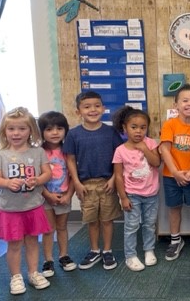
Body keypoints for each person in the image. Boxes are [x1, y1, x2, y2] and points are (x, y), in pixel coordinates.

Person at [0, 107, 52, 294]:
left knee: (33, 241)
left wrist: (38, 180)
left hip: (32, 207)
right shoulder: (1, 154)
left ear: (31, 131)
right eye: (11, 129)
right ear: (4, 132)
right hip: (10, 209)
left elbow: (47, 173)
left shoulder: (38, 152)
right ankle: (16, 277)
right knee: (14, 244)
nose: (16, 133)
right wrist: (8, 183)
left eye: (22, 129)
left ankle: (33, 272)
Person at [64, 91, 123, 271]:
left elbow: (119, 157)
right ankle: (94, 250)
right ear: (78, 111)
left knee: (107, 219)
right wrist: (77, 183)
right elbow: (70, 160)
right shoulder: (74, 134)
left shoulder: (110, 132)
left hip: (107, 182)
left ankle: (107, 250)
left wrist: (114, 179)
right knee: (92, 220)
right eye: (87, 106)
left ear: (103, 109)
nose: (93, 110)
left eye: (97, 106)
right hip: (86, 184)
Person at [159, 84, 190, 261]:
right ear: (176, 105)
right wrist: (175, 172)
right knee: (174, 208)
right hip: (171, 176)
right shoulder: (169, 125)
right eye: (185, 100)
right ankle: (175, 240)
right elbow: (164, 149)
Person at [113, 106, 161, 272]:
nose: (138, 131)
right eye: (134, 127)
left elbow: (156, 162)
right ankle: (130, 255)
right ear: (125, 128)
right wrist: (123, 197)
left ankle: (149, 250)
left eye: (143, 127)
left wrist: (145, 149)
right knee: (131, 226)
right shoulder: (120, 150)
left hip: (151, 194)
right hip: (132, 194)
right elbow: (118, 176)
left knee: (149, 224)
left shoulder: (150, 143)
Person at [38, 111, 77, 277]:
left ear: (65, 130)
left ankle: (64, 255)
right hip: (44, 197)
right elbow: (36, 179)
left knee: (61, 227)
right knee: (48, 229)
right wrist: (47, 195)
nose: (55, 133)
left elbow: (74, 175)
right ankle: (48, 260)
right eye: (49, 129)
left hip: (64, 196)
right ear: (41, 132)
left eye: (59, 128)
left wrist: (69, 195)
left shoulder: (68, 151)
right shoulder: (38, 152)